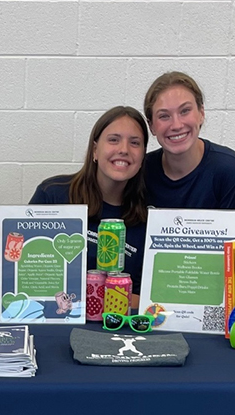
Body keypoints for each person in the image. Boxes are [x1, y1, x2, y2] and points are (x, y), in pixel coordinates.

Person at [30, 106, 149, 298]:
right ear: (95, 150)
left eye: (135, 143)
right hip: (54, 318)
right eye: (113, 140)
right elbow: (24, 273)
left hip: (117, 324)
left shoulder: (147, 218)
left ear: (143, 156)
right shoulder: (52, 195)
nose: (124, 149)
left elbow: (144, 300)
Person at [143, 71, 235, 237]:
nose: (176, 125)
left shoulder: (230, 171)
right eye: (164, 116)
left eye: (185, 111)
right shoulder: (142, 171)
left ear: (201, 113)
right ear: (151, 126)